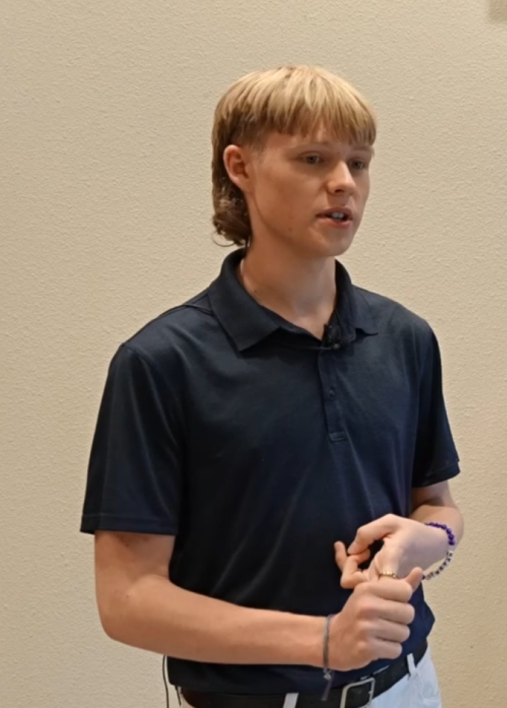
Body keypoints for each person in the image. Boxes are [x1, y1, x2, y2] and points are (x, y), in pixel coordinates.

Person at [80, 65, 464, 707]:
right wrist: (323, 640)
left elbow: (437, 504)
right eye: (313, 158)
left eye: (359, 163)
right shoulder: (161, 363)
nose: (344, 183)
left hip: (408, 688)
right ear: (241, 167)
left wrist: (435, 537)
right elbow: (127, 600)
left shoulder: (405, 338)